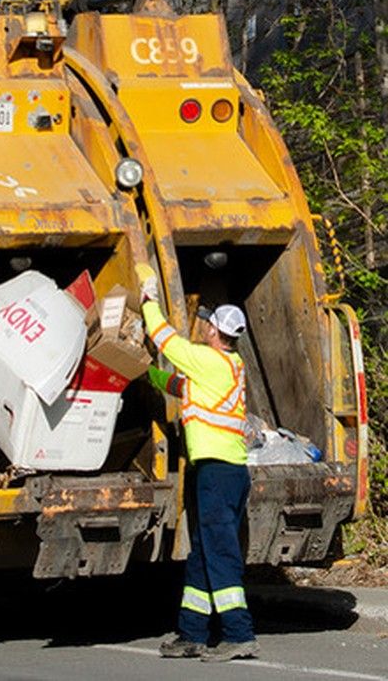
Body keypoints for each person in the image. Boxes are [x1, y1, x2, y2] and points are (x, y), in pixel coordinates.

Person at [135, 262, 260, 663]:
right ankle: (192, 633)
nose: (203, 327)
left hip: (218, 472)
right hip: (225, 471)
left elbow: (166, 339)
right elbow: (181, 386)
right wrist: (145, 375)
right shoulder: (229, 367)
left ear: (213, 332)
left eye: (207, 324)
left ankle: (239, 633)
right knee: (204, 552)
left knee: (219, 550)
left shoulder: (209, 361)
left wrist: (148, 298)